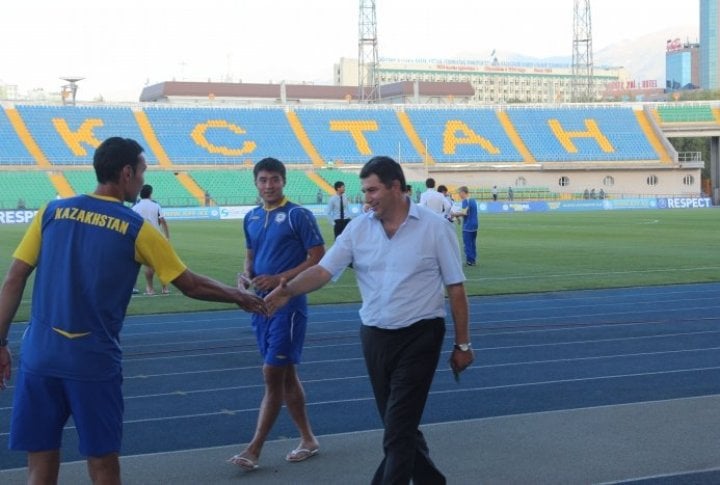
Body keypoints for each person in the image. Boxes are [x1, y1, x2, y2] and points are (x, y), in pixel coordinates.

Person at [0, 136, 266, 485]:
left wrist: (1, 342)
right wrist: (238, 296)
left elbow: (14, 277)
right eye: (142, 171)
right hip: (92, 360)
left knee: (40, 462)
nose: (143, 179)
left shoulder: (51, 212)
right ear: (127, 172)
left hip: (39, 356)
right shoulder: (135, 226)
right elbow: (189, 284)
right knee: (103, 463)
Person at [264, 156, 474, 485]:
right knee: (397, 426)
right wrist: (287, 290)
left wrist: (463, 344)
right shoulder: (358, 228)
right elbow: (322, 270)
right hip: (375, 336)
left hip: (421, 336)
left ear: (395, 188)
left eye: (372, 190)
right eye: (364, 191)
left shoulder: (435, 228)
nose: (367, 198)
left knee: (397, 431)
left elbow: (456, 289)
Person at [229, 157, 325, 471]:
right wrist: (245, 276)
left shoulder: (298, 214)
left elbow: (317, 257)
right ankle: (308, 439)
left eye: (274, 180)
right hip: (260, 306)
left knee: (272, 374)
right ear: (255, 183)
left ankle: (253, 449)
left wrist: (281, 280)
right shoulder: (252, 217)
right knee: (286, 377)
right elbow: (250, 257)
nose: (269, 186)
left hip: (289, 305)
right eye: (263, 180)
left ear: (284, 181)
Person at [132, 184, 170, 295]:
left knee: (147, 264)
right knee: (161, 264)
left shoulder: (135, 207)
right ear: (150, 193)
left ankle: (150, 288)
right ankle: (165, 288)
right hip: (156, 237)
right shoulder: (156, 205)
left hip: (142, 238)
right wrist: (167, 237)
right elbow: (163, 221)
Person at [452, 186, 479, 266]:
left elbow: (464, 213)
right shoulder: (473, 200)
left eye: (459, 193)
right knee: (472, 243)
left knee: (467, 243)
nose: (459, 195)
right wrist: (458, 216)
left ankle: (469, 261)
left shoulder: (465, 201)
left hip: (468, 225)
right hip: (475, 224)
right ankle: (473, 260)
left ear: (463, 192)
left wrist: (454, 214)